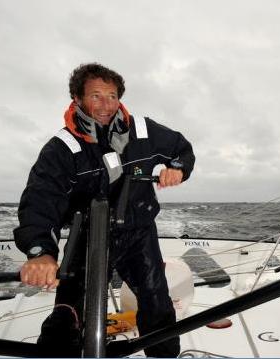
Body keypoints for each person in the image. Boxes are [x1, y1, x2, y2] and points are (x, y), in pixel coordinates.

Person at [13, 63, 195, 357]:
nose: (106, 105)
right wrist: (41, 253)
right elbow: (40, 200)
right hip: (89, 237)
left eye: (112, 96)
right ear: (77, 98)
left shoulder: (144, 130)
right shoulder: (61, 148)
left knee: (157, 303)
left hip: (139, 234)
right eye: (96, 96)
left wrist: (177, 168)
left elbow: (182, 149)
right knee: (67, 315)